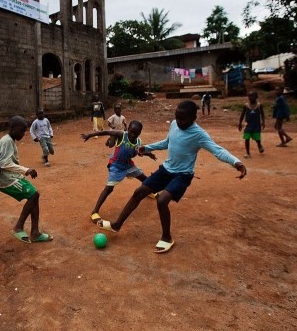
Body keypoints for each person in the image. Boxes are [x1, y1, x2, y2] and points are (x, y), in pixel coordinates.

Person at [96, 100, 247, 254]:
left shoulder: (199, 135)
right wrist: (147, 147)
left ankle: (167, 237)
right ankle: (117, 225)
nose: (179, 122)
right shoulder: (174, 124)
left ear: (194, 118)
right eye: (177, 117)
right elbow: (167, 142)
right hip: (166, 170)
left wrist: (236, 162)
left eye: (183, 119)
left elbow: (218, 150)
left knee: (162, 200)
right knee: (138, 192)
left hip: (182, 175)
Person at [0, 115, 53, 244]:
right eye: (22, 131)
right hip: (5, 180)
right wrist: (26, 170)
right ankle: (18, 227)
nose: (24, 134)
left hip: (11, 176)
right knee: (33, 195)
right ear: (12, 128)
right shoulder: (7, 141)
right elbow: (4, 163)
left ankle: (35, 232)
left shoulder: (9, 140)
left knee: (34, 195)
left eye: (24, 131)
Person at [81, 120, 157, 224]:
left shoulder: (138, 142)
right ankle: (94, 211)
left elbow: (139, 151)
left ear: (139, 133)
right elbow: (106, 132)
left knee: (144, 178)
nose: (132, 134)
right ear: (128, 129)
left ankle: (150, 191)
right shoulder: (122, 135)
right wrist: (89, 135)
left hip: (128, 165)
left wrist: (149, 154)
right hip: (116, 165)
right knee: (109, 188)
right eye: (131, 131)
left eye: (136, 133)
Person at [238, 91, 265, 158]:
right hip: (248, 125)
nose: (251, 98)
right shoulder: (246, 105)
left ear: (256, 97)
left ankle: (259, 145)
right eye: (249, 96)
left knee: (257, 138)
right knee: (247, 138)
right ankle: (248, 153)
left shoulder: (259, 105)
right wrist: (240, 123)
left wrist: (263, 122)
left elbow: (262, 114)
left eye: (252, 96)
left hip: (256, 125)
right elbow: (242, 114)